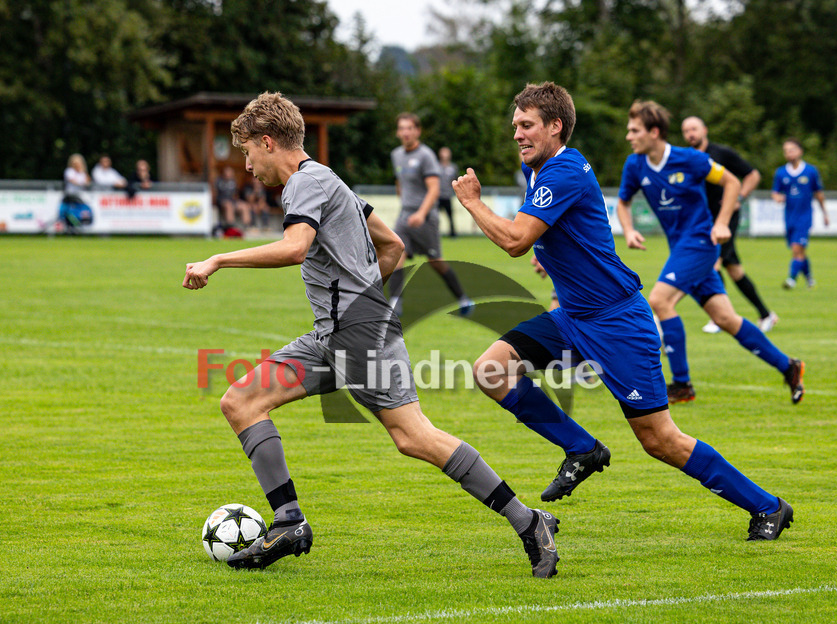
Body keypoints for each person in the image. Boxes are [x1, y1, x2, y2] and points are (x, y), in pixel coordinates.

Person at [182, 92, 560, 578]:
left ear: (268, 141)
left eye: (248, 153)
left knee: (414, 437)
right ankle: (289, 521)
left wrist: (218, 259)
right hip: (335, 334)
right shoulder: (328, 179)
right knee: (241, 401)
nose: (249, 166)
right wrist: (362, 294)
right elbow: (394, 244)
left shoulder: (302, 183)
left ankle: (530, 522)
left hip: (359, 336)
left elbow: (296, 248)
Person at [453, 81, 793, 542]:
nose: (517, 133)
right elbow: (553, 231)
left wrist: (473, 203)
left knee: (660, 440)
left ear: (555, 127)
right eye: (515, 125)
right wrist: (547, 249)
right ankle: (582, 448)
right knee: (491, 370)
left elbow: (515, 240)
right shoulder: (539, 168)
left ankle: (767, 506)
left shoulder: (563, 170)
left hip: (618, 323)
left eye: (526, 125)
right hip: (573, 318)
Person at [616, 101, 806, 405]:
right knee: (726, 318)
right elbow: (622, 203)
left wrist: (721, 223)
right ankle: (789, 366)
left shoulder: (690, 159)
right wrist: (628, 230)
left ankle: (681, 384)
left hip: (701, 243)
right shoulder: (635, 165)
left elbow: (732, 181)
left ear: (653, 132)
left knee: (659, 300)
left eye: (634, 130)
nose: (629, 136)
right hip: (681, 247)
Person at [681, 117, 777, 334]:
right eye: (686, 131)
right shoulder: (688, 158)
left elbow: (752, 175)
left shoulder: (722, 153)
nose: (690, 134)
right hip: (705, 220)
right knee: (735, 271)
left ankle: (719, 318)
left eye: (694, 129)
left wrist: (739, 198)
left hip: (726, 219)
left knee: (712, 264)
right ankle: (766, 314)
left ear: (704, 130)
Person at [388, 113, 474, 317]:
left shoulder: (426, 156)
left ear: (417, 131)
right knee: (396, 253)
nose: (406, 132)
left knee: (435, 262)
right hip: (405, 216)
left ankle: (463, 299)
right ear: (398, 132)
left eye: (410, 128)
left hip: (425, 218)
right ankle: (394, 304)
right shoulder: (396, 155)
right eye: (402, 128)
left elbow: (434, 189)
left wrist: (421, 213)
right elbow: (400, 181)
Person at [772, 138, 828, 289]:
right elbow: (775, 192)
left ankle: (791, 279)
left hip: (805, 216)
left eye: (791, 149)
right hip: (789, 217)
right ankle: (809, 278)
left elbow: (819, 194)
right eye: (786, 151)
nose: (789, 153)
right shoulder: (781, 172)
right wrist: (778, 197)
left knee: (797, 249)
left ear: (800, 151)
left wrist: (825, 214)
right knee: (800, 251)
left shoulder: (810, 171)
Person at [437, 146, 458, 237]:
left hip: (447, 196)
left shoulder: (453, 167)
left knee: (450, 216)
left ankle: (453, 233)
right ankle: (433, 233)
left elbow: (455, 180)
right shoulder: (436, 166)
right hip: (437, 196)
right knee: (434, 217)